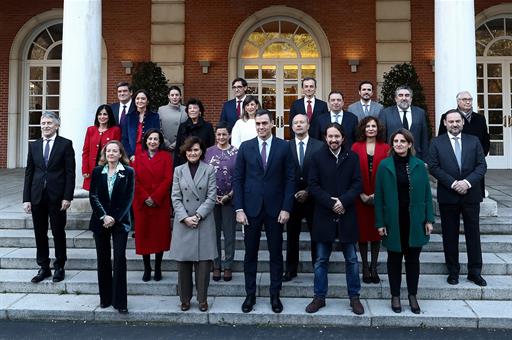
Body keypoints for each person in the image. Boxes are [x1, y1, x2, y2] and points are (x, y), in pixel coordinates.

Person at [233, 109, 295, 314]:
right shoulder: (245, 147)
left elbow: (290, 179)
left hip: (276, 210)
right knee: (250, 254)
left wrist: (287, 207)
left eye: (264, 123)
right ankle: (249, 295)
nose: (261, 127)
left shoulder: (284, 147)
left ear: (272, 124)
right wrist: (239, 208)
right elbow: (238, 179)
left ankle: (275, 295)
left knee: (276, 254)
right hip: (250, 210)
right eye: (258, 124)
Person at [305, 123, 364, 315]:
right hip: (324, 214)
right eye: (330, 136)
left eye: (337, 136)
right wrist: (331, 203)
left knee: (352, 260)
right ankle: (319, 297)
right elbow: (313, 185)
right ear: (325, 138)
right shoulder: (317, 157)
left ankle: (354, 298)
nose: (333, 140)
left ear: (343, 138)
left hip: (347, 214)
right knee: (321, 259)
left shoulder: (352, 157)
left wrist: (343, 202)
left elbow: (357, 184)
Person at [374, 128, 434, 314]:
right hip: (393, 219)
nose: (399, 144)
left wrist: (429, 219)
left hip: (415, 220)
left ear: (409, 144)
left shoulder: (418, 165)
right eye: (396, 141)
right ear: (392, 144)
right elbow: (380, 197)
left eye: (403, 141)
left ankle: (412, 295)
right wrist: (380, 223)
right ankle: (395, 295)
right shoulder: (385, 165)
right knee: (393, 259)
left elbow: (427, 193)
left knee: (413, 260)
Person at [428, 109, 487, 287]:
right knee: (450, 235)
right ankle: (453, 271)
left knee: (473, 234)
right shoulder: (436, 142)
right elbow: (434, 167)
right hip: (448, 195)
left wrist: (467, 183)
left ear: (462, 123)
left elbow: (481, 166)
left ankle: (475, 271)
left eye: (457, 121)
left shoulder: (474, 141)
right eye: (451, 121)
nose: (454, 124)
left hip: (471, 195)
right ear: (445, 123)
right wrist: (454, 183)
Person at [23, 111, 76, 284]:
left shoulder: (66, 145)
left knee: (58, 232)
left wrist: (67, 196)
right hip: (37, 195)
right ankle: (44, 267)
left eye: (49, 123)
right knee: (40, 233)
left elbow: (70, 173)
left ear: (57, 125)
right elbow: (29, 172)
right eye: (43, 123)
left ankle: (59, 266)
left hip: (58, 197)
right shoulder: (34, 145)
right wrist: (26, 198)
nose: (45, 126)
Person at [170, 136, 217, 312]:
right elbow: (175, 196)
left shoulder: (209, 169)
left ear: (201, 151)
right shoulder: (178, 171)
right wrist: (185, 217)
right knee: (183, 266)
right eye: (189, 150)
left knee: (204, 265)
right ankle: (185, 299)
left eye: (196, 150)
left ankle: (202, 299)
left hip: (203, 222)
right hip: (183, 223)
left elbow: (212, 196)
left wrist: (198, 215)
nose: (192, 153)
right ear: (185, 152)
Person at [88, 140, 134, 314]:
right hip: (100, 222)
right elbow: (93, 195)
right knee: (103, 260)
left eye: (115, 151)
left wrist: (113, 217)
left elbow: (127, 199)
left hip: (120, 222)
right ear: (105, 154)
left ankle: (120, 301)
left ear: (120, 154)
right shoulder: (97, 171)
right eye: (108, 151)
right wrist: (103, 216)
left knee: (120, 260)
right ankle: (105, 299)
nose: (111, 154)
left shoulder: (128, 172)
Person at [283, 113, 323, 282]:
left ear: (308, 125)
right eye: (295, 123)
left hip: (313, 197)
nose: (299, 125)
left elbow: (322, 173)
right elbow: (283, 174)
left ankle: (317, 267)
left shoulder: (320, 146)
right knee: (292, 235)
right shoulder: (286, 146)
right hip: (292, 198)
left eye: (302, 122)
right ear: (292, 127)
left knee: (316, 234)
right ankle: (291, 269)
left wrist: (308, 190)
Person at [351, 116, 389, 284]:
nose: (371, 129)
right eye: (368, 126)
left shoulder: (386, 147)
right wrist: (361, 194)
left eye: (374, 126)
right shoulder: (355, 147)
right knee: (362, 234)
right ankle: (365, 267)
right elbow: (351, 173)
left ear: (378, 128)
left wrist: (376, 195)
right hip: (360, 198)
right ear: (363, 129)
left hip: (379, 199)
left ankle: (374, 267)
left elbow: (388, 174)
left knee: (376, 234)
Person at [133, 129, 173, 282]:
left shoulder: (166, 157)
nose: (153, 142)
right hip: (142, 202)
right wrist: (145, 197)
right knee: (144, 235)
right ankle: (146, 268)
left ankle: (157, 267)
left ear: (160, 141)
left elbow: (168, 179)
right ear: (146, 141)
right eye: (150, 139)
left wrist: (155, 197)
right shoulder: (138, 157)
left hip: (160, 202)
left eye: (156, 139)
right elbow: (134, 179)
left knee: (159, 236)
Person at [437, 91, 490, 198]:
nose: (467, 102)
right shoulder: (448, 117)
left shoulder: (480, 118)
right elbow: (441, 140)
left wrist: (480, 155)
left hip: (474, 161)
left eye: (470, 100)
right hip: (452, 162)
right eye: (464, 99)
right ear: (458, 101)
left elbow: (485, 139)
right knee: (452, 195)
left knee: (474, 195)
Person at [204, 122, 238, 282]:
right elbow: (204, 175)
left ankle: (228, 265)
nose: (221, 137)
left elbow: (239, 177)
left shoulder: (237, 153)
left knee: (229, 234)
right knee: (214, 234)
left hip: (230, 200)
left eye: (224, 134)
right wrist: (212, 196)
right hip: (212, 200)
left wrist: (230, 195)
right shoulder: (208, 153)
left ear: (229, 135)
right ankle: (216, 264)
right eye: (219, 134)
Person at [379, 85, 429, 161]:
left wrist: (425, 159)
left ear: (411, 99)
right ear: (396, 99)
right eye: (400, 95)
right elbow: (382, 138)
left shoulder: (420, 112)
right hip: (392, 156)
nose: (404, 98)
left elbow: (424, 138)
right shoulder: (385, 113)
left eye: (407, 95)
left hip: (416, 156)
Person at [82, 104, 121, 190]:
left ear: (109, 116)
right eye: (100, 114)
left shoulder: (115, 130)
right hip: (92, 170)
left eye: (105, 114)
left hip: (109, 169)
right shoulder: (90, 130)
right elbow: (86, 151)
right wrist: (85, 169)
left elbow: (117, 150)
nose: (102, 117)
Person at [121, 89, 160, 163]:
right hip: (133, 153)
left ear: (147, 101)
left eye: (143, 99)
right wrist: (130, 155)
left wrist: (151, 154)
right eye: (137, 98)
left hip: (149, 152)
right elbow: (124, 139)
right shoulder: (128, 117)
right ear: (134, 101)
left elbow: (157, 136)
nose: (140, 101)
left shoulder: (154, 116)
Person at [174, 98, 215, 166]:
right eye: (190, 108)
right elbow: (178, 147)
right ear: (187, 111)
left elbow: (211, 148)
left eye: (195, 108)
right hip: (185, 163)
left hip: (203, 163)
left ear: (200, 111)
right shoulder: (182, 126)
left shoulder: (208, 127)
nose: (192, 110)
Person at [158, 85, 188, 152]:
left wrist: (177, 142)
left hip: (181, 147)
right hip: (165, 147)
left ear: (180, 96)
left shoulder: (186, 110)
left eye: (177, 95)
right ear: (168, 96)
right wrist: (165, 142)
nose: (174, 97)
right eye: (172, 95)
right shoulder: (161, 109)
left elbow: (188, 129)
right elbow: (158, 128)